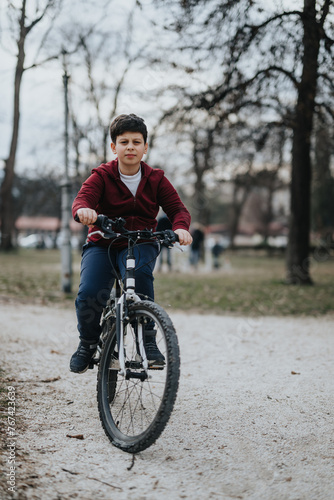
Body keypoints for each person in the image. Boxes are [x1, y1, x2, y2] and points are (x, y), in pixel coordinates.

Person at [70, 114, 192, 374]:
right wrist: (85, 212)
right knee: (90, 293)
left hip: (140, 241)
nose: (130, 147)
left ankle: (148, 339)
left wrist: (180, 228)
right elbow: (82, 201)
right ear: (114, 147)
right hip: (103, 243)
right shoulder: (102, 176)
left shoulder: (156, 179)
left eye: (137, 142)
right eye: (123, 142)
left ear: (145, 147)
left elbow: (178, 210)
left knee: (141, 275)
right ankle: (87, 343)